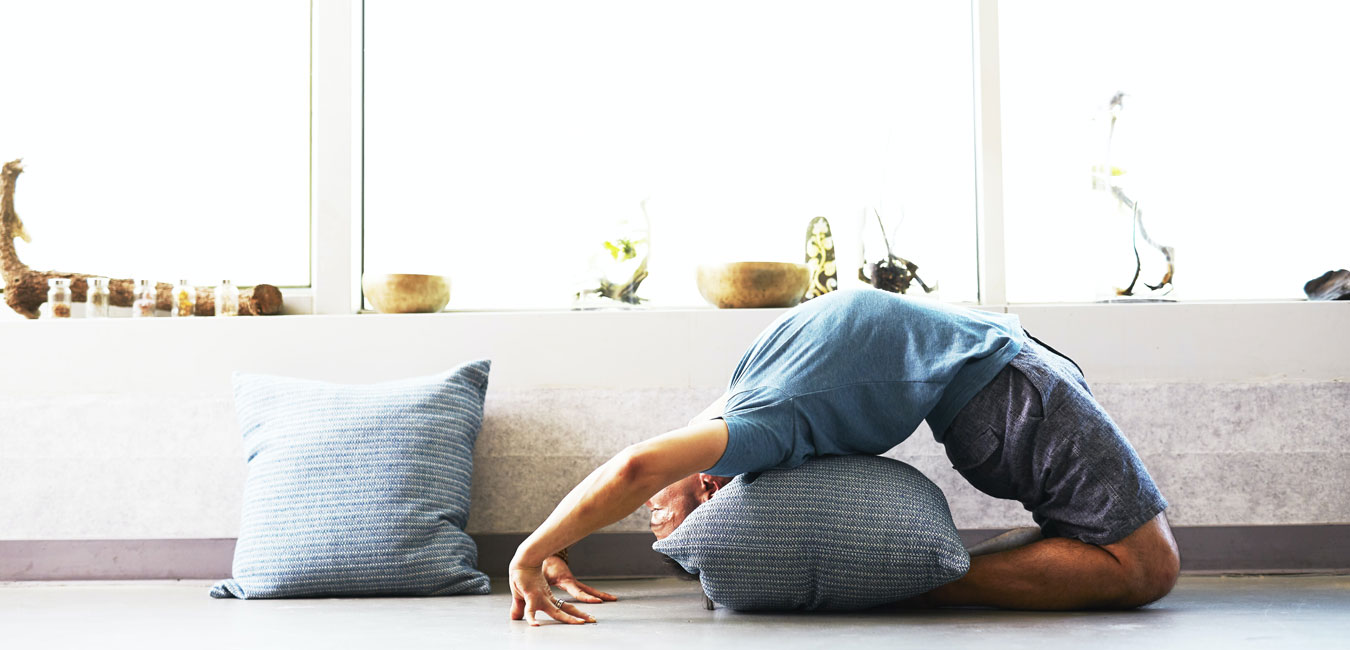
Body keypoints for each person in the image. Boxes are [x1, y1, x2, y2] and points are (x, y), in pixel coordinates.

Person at [509, 289, 1179, 625]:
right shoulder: (751, 391)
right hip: (1006, 386)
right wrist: (557, 539)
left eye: (659, 516)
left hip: (1008, 388)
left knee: (1138, 564)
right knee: (1142, 564)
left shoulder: (754, 418)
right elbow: (639, 472)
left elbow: (632, 468)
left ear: (709, 486)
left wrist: (533, 550)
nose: (652, 515)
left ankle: (931, 583)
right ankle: (929, 582)